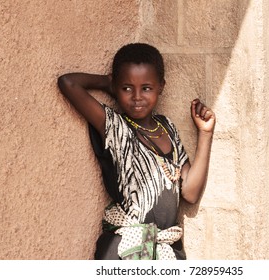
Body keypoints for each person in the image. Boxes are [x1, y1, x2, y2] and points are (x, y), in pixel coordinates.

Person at [57, 43, 215, 260]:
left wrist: (205, 134)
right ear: (116, 87)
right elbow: (68, 82)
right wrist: (108, 83)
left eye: (146, 88)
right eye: (127, 88)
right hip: (125, 250)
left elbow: (190, 192)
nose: (137, 96)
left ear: (161, 86)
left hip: (167, 251)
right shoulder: (114, 126)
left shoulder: (166, 127)